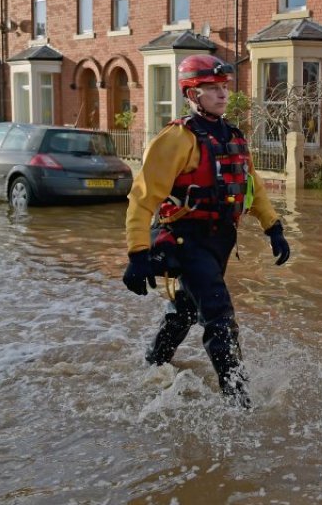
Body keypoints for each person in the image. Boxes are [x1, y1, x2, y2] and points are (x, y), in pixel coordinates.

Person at [121, 53, 291, 408]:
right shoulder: (176, 138)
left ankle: (154, 364)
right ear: (191, 94)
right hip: (187, 240)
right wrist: (137, 253)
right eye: (211, 88)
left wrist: (273, 226)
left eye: (224, 87)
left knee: (184, 310)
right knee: (219, 316)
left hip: (220, 240)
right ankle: (238, 401)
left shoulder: (232, 136)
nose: (222, 94)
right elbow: (142, 197)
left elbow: (252, 185)